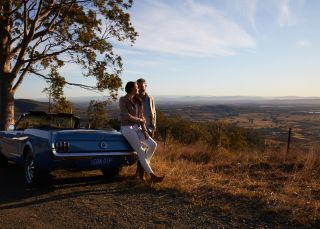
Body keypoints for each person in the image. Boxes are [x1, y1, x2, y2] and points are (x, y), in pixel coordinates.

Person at [119, 81, 164, 183]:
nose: (138, 88)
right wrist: (140, 121)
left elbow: (142, 117)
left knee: (153, 145)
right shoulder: (123, 100)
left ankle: (143, 167)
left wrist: (144, 130)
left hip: (136, 127)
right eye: (136, 87)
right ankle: (152, 175)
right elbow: (126, 116)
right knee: (140, 151)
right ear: (131, 88)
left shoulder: (138, 101)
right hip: (126, 128)